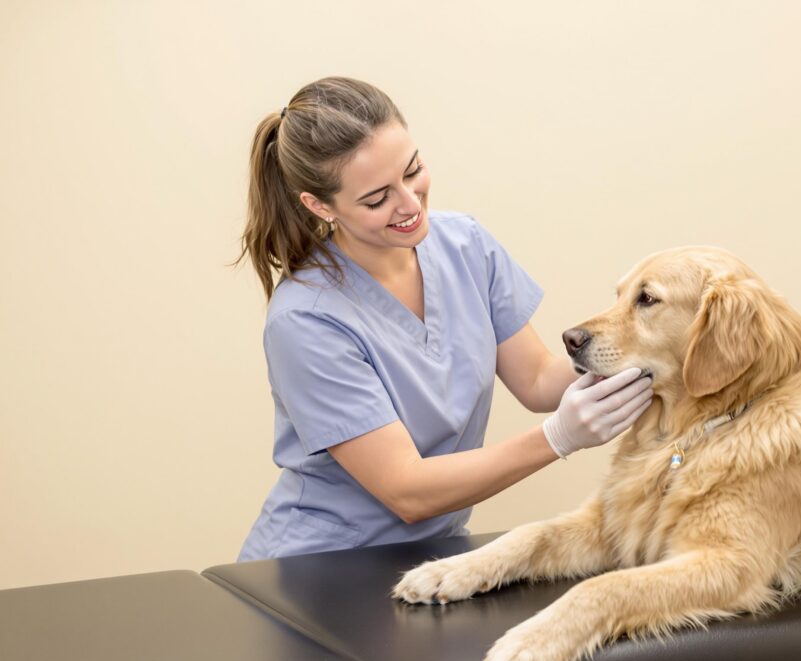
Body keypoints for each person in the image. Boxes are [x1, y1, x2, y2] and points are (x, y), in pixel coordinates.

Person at [235, 75, 653, 572]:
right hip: (323, 572)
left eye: (413, 171)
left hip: (433, 555)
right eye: (376, 199)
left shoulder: (465, 246)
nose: (410, 204)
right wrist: (557, 438)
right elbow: (406, 489)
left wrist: (643, 338)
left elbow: (539, 381)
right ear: (320, 206)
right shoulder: (305, 319)